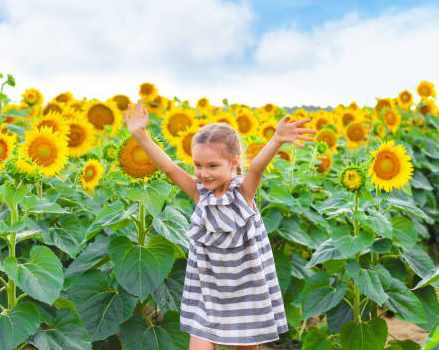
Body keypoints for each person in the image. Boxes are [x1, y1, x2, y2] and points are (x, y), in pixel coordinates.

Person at [123, 101, 316, 350]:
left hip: (245, 288)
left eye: (213, 165)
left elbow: (257, 166)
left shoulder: (243, 194)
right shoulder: (199, 193)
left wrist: (277, 140)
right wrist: (140, 134)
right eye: (198, 165)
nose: (203, 173)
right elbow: (170, 168)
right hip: (208, 288)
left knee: (246, 347)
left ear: (234, 163)